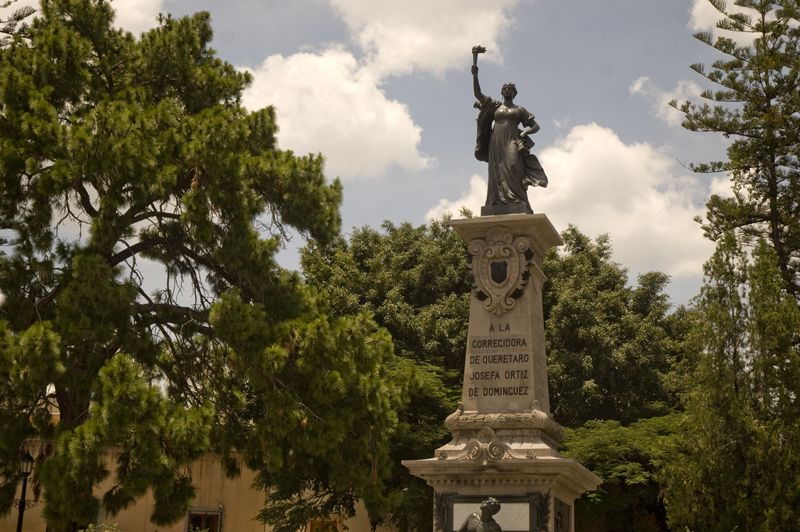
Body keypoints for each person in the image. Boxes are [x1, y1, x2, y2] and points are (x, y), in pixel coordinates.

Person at [472, 64, 548, 214]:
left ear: (514, 93)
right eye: (505, 88)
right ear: (501, 92)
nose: (507, 90)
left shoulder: (519, 110)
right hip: (496, 141)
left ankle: (518, 200)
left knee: (514, 166)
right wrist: (475, 75)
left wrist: (525, 133)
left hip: (512, 140)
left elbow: (536, 126)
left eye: (510, 89)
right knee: (497, 170)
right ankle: (497, 202)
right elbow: (478, 93)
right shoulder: (495, 106)